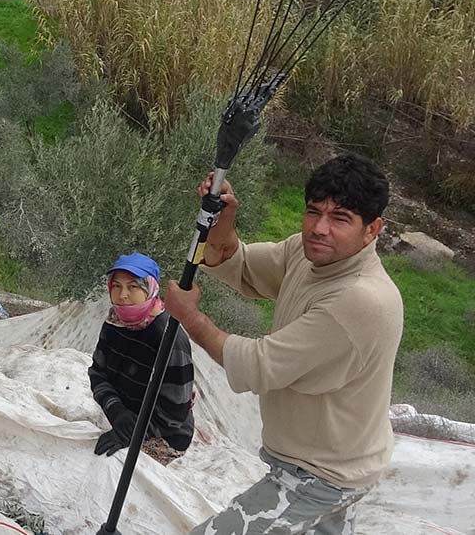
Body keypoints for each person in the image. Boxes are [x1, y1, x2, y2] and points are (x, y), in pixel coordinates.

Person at [164, 153, 403, 534]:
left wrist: (190, 318)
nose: (319, 228)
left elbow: (260, 365)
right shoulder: (306, 255)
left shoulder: (360, 299)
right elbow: (235, 262)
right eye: (314, 212)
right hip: (335, 463)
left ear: (373, 229)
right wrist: (225, 216)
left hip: (320, 477)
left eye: (340, 218)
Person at [88, 253, 195, 466]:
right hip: (125, 418)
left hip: (163, 434)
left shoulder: (169, 338)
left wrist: (133, 432)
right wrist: (117, 411)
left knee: (114, 472)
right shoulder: (114, 323)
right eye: (116, 286)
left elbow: (175, 411)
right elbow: (98, 374)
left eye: (133, 287)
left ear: (150, 288)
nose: (123, 295)